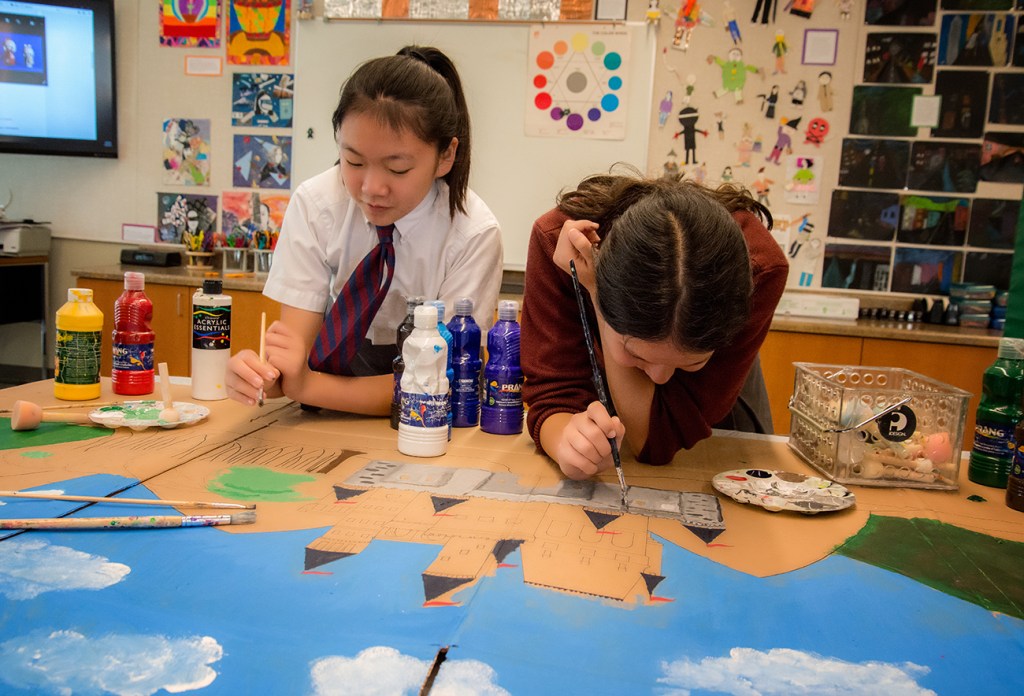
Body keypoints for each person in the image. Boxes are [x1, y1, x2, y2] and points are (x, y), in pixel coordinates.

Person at [226, 46, 503, 413]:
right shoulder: (317, 204)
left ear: (446, 156)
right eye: (353, 160)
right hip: (323, 410)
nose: (371, 188)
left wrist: (305, 385)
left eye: (398, 168)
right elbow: (294, 359)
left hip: (428, 421)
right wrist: (262, 376)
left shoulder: (472, 233)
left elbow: (440, 381)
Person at [520, 169, 788, 480]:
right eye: (639, 355)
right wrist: (567, 442)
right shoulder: (561, 243)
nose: (660, 379)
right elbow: (554, 394)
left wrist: (596, 296)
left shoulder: (761, 268)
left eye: (691, 361)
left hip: (715, 431)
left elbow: (656, 442)